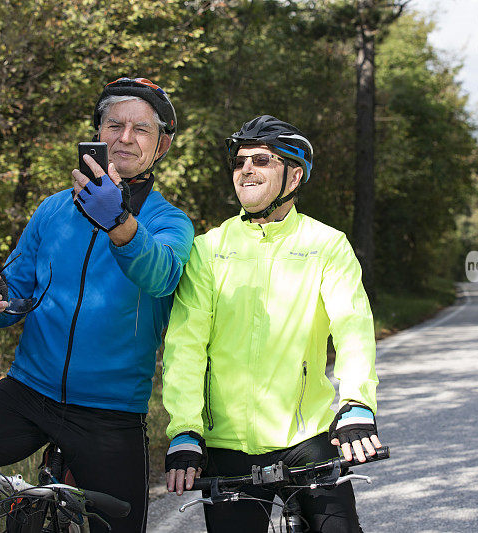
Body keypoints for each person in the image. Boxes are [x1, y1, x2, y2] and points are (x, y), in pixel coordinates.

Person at [0, 77, 194, 532]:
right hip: (28, 391)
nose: (124, 137)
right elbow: (16, 292)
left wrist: (118, 221)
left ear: (161, 146)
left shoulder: (168, 221)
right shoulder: (54, 209)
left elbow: (161, 276)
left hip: (110, 410)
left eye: (141, 129)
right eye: (113, 124)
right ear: (96, 134)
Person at [161, 115, 382, 532]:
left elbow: (352, 329)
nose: (246, 170)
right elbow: (186, 346)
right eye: (240, 161)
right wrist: (185, 430)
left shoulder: (326, 245)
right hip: (226, 445)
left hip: (307, 438)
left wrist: (356, 404)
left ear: (294, 175)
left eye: (262, 160)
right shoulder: (209, 250)